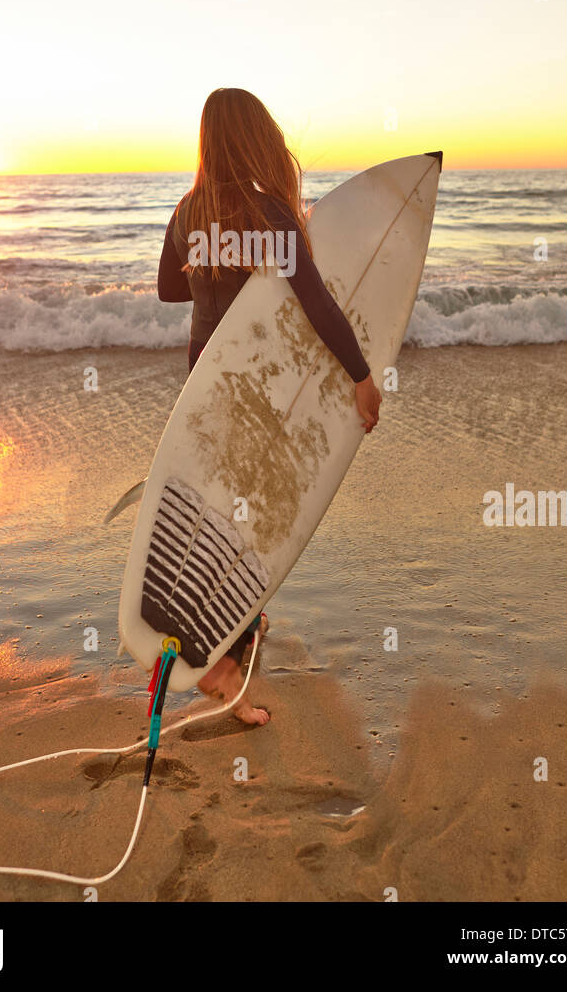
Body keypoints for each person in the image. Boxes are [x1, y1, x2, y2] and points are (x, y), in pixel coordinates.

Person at [157, 87, 382, 723]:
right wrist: (361, 375)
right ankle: (226, 670)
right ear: (257, 137)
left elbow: (168, 288)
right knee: (253, 526)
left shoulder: (187, 212)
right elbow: (315, 302)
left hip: (201, 391)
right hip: (257, 395)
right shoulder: (269, 216)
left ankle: (213, 652)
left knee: (219, 519)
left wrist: (213, 269)